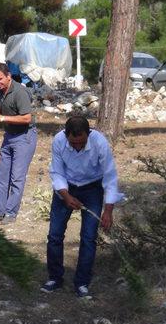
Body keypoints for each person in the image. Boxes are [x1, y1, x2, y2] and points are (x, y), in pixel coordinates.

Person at [41, 116, 123, 299]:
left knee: (88, 237)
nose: (77, 147)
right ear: (66, 135)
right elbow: (56, 171)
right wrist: (66, 196)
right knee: (54, 235)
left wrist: (108, 210)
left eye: (81, 142)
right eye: (73, 143)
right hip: (66, 187)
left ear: (89, 134)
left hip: (92, 188)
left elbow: (110, 176)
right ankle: (55, 278)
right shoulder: (59, 141)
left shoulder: (100, 143)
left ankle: (82, 282)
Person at [0, 62, 37, 225]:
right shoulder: (0, 92)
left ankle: (11, 212)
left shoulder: (20, 92)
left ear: (8, 76)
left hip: (24, 136)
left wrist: (1, 118)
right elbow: (1, 109)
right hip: (9, 136)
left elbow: (26, 118)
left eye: (0, 79)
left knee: (17, 177)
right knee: (1, 175)